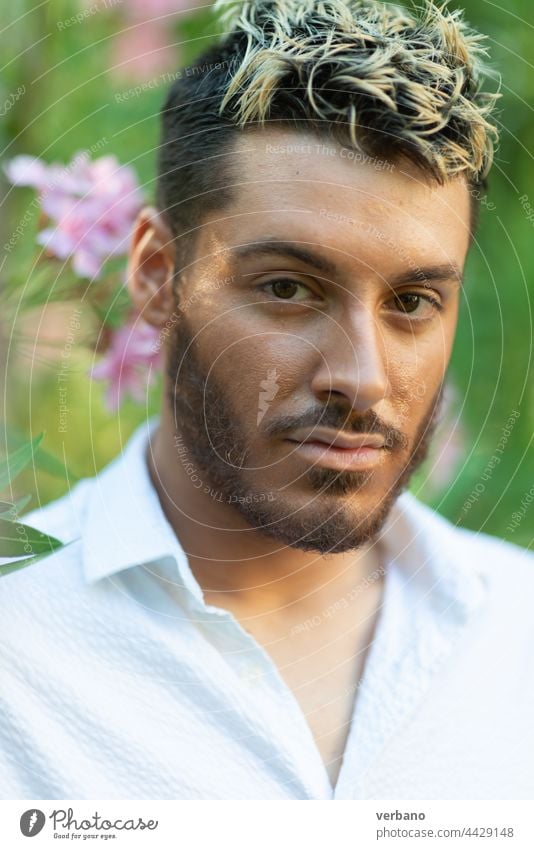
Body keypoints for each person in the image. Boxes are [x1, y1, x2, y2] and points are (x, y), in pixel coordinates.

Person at [1, 0, 533, 800]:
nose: (362, 376)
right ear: (155, 276)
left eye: (413, 302)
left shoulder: (516, 634)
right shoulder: (18, 654)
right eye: (287, 288)